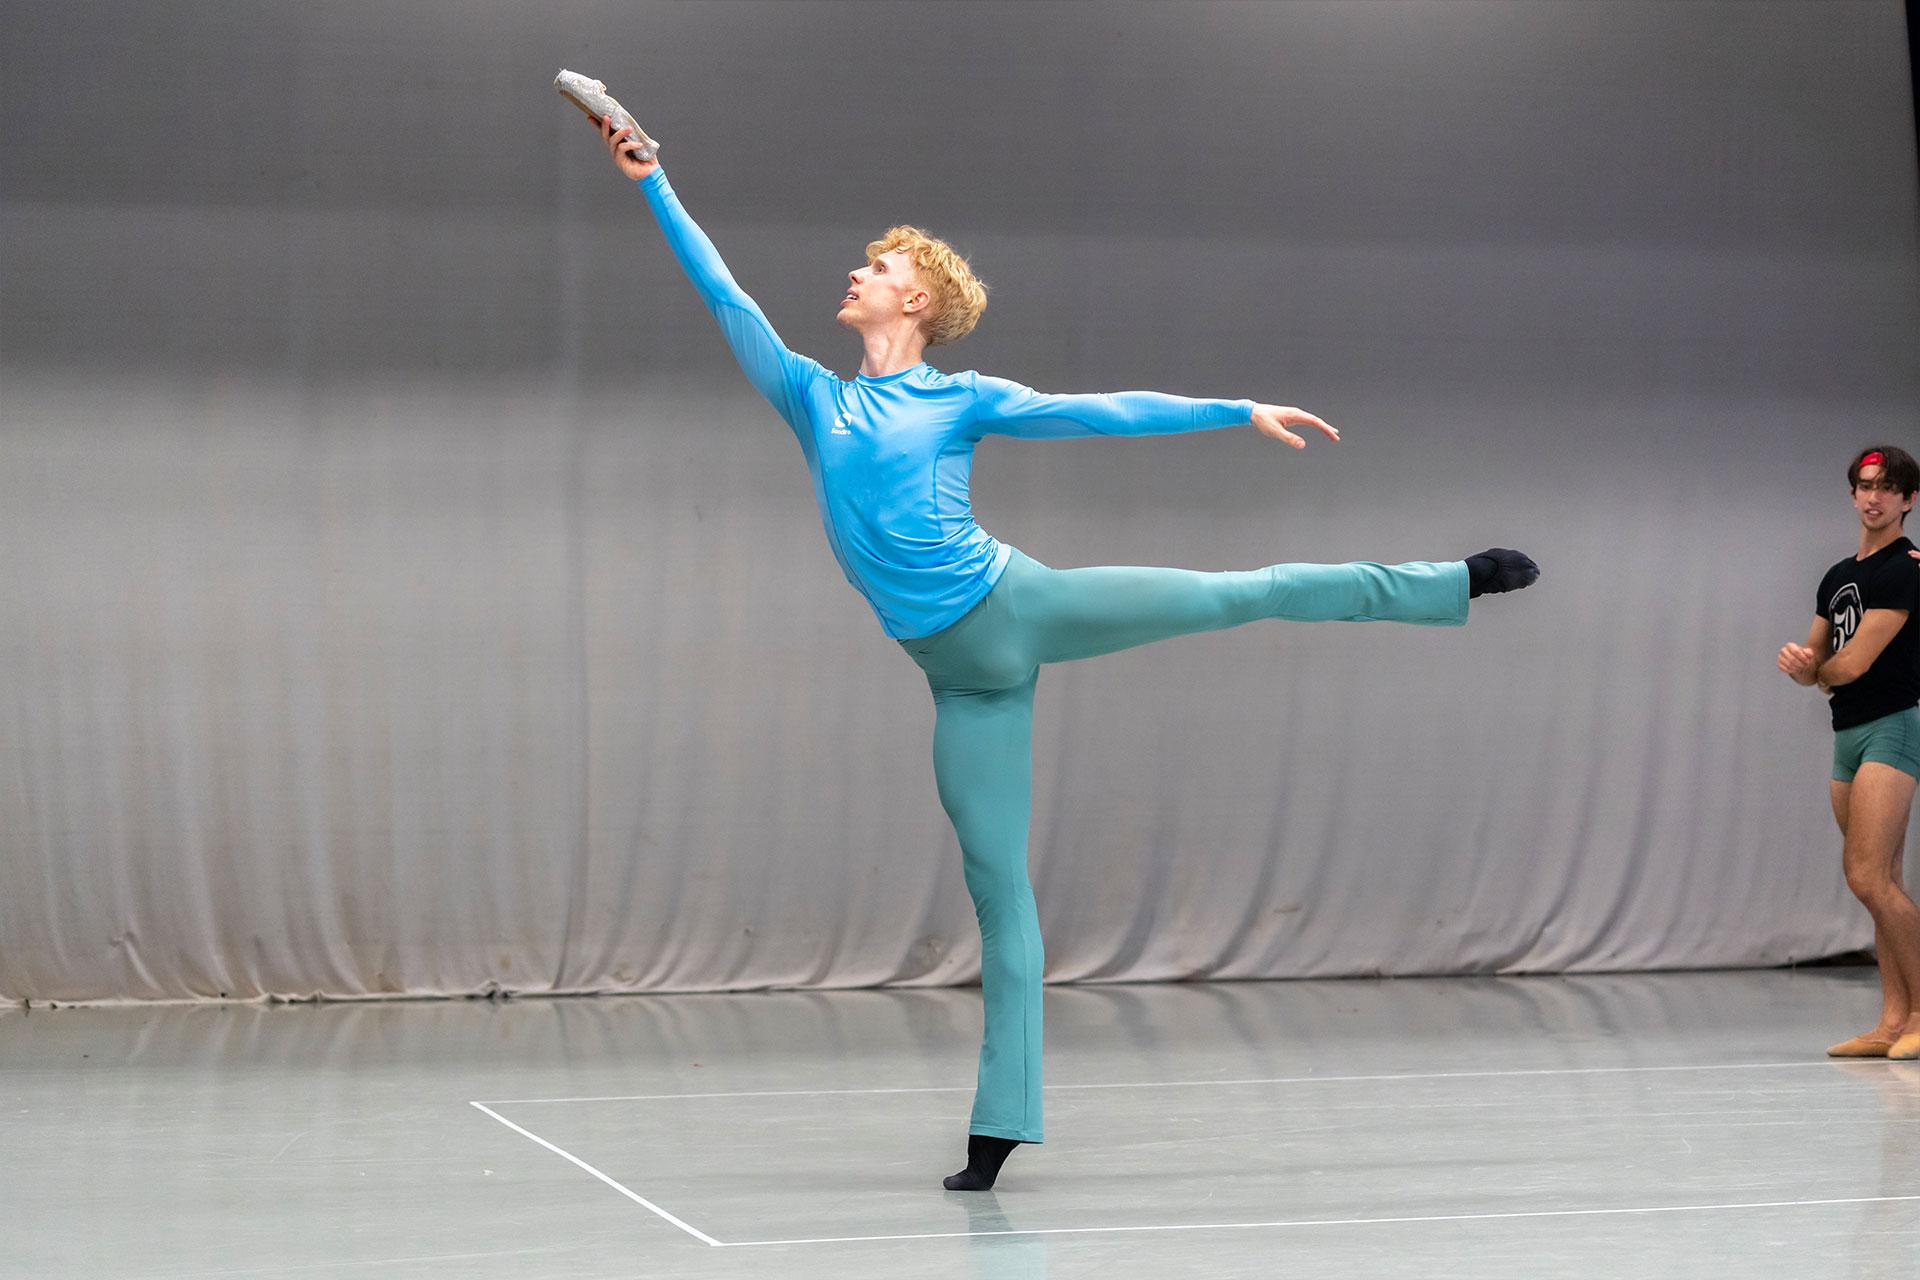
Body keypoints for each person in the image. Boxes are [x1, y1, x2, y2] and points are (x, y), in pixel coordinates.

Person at [594, 115, 1539, 1188]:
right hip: (961, 687)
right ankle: (999, 1128)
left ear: (919, 302)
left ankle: (1451, 580)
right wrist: (653, 181)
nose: (857, 273)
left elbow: (1101, 413)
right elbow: (726, 296)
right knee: (1000, 893)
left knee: (1240, 592)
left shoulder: (958, 397)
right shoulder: (815, 398)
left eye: (880, 267)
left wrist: (1237, 409)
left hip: (1021, 607)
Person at [1780, 446, 1920, 1061]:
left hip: (1892, 726)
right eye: (1866, 486)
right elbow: (1819, 661)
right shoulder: (1837, 576)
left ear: (1908, 500)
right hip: (1849, 734)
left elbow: (1852, 664)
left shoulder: (1906, 569)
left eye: (1888, 487)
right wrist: (1803, 666)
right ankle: (1893, 1021)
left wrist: (1817, 671)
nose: (1874, 496)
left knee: (1867, 877)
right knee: (1880, 882)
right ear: (1853, 494)